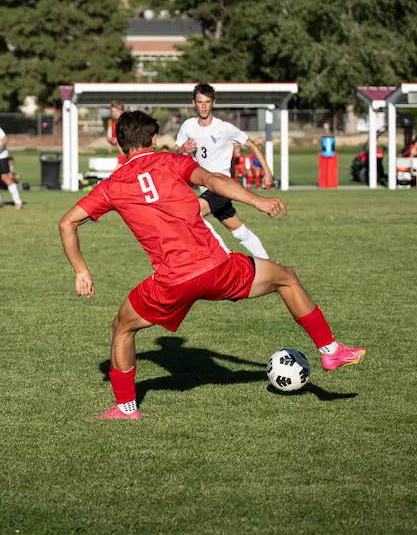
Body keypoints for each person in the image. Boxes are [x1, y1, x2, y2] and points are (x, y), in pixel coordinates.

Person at [59, 111, 365, 420]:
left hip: (171, 283)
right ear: (153, 139)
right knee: (286, 278)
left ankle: (126, 409)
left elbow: (67, 223)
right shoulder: (170, 162)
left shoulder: (111, 186)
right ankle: (330, 350)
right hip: (218, 269)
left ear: (120, 143)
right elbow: (214, 179)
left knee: (122, 329)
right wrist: (257, 201)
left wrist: (81, 271)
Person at [176, 82, 273, 259]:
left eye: (207, 102)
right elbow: (176, 152)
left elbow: (252, 145)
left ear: (213, 103)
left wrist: (267, 171)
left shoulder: (224, 128)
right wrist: (182, 149)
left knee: (190, 215)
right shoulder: (188, 126)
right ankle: (271, 263)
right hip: (205, 188)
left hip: (222, 187)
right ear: (194, 103)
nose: (203, 106)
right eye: (200, 102)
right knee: (239, 232)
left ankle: (223, 256)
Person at [104, 100, 129, 166]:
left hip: (130, 155)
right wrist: (111, 140)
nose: (114, 113)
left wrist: (117, 140)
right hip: (123, 155)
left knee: (115, 174)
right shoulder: (113, 124)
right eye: (112, 111)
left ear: (121, 110)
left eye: (116, 111)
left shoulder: (128, 122)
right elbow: (115, 142)